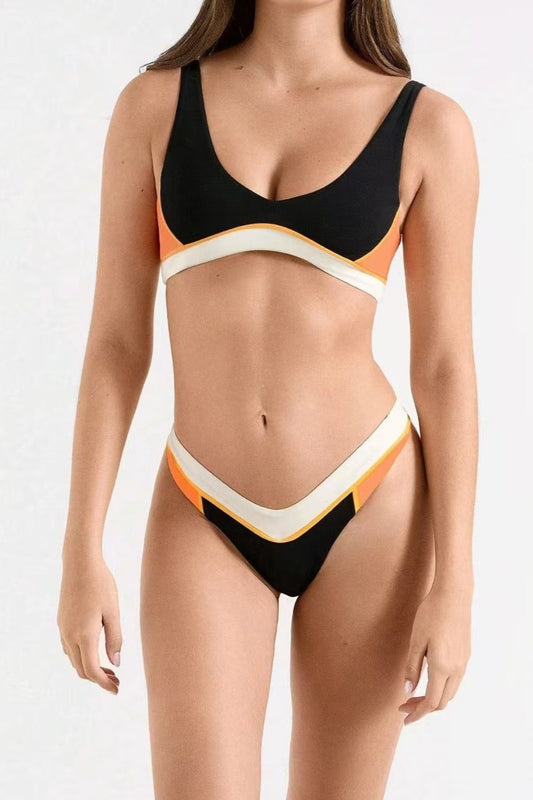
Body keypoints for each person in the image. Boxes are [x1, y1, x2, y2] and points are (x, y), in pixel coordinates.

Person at [57, 1, 479, 797]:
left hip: (372, 503)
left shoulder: (428, 126)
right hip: (203, 503)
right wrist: (81, 550)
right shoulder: (154, 106)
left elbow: (445, 366)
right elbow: (115, 344)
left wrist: (454, 584)